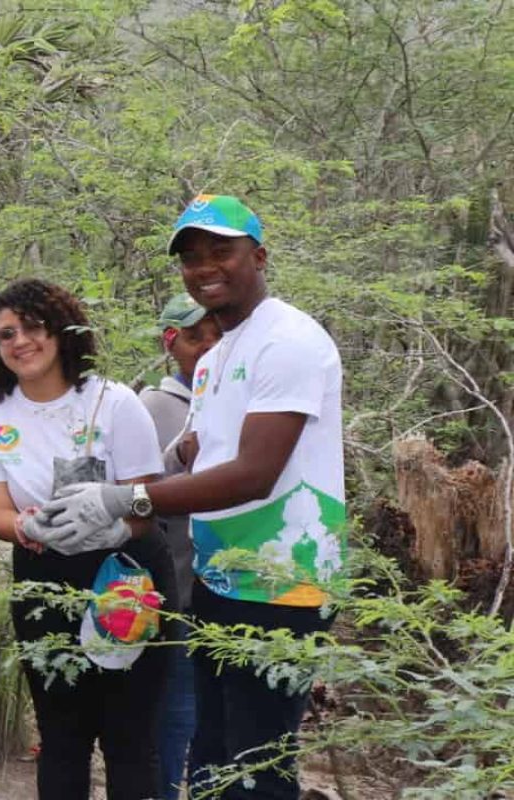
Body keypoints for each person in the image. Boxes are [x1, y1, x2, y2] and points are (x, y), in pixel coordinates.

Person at [41, 195, 344, 800]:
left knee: (256, 766)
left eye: (221, 251)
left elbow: (254, 473)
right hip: (216, 577)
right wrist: (111, 491)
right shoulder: (214, 357)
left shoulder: (289, 339)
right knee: (211, 754)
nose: (204, 265)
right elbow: (200, 454)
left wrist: (125, 500)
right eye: (190, 256)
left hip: (281, 582)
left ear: (258, 256)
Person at [0, 279, 170, 800]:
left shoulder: (113, 401)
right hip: (44, 575)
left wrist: (119, 523)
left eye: (32, 327)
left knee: (129, 732)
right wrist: (25, 528)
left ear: (61, 330)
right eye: (5, 334)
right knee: (61, 732)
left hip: (126, 572)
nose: (19, 342)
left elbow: (150, 499)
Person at [139, 293, 221, 800]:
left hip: (231, 594)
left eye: (217, 335)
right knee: (177, 723)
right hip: (177, 599)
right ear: (172, 343)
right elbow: (138, 499)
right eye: (195, 337)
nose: (209, 347)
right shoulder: (155, 408)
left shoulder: (235, 403)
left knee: (215, 727)